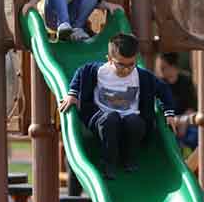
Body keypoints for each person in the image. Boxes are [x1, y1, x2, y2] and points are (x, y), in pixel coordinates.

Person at [59, 33, 177, 179]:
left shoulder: (141, 76)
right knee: (111, 119)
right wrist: (72, 94)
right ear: (109, 60)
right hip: (103, 117)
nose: (126, 69)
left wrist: (169, 113)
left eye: (131, 64)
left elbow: (163, 90)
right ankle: (108, 163)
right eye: (121, 64)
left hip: (129, 118)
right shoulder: (98, 72)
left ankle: (129, 158)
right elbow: (81, 73)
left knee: (135, 122)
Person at [155, 52, 198, 150]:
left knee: (195, 135)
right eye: (160, 68)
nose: (160, 71)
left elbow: (191, 106)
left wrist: (184, 122)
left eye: (163, 68)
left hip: (186, 120)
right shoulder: (160, 84)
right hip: (169, 122)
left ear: (173, 67)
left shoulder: (186, 81)